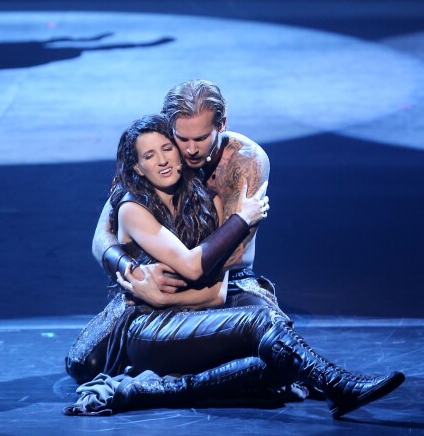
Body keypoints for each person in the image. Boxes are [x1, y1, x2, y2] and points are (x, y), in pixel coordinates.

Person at [65, 115, 404, 417]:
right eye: (150, 156)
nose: (164, 160)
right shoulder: (132, 208)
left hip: (185, 317)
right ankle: (337, 384)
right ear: (138, 167)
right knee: (260, 322)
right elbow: (193, 267)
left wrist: (168, 299)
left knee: (274, 360)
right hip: (146, 328)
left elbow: (217, 291)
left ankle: (165, 390)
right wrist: (241, 219)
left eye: (167, 149)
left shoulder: (205, 199)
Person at [93, 80, 281, 313]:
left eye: (201, 139)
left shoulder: (244, 160)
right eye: (182, 139)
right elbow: (101, 235)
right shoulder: (157, 150)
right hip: (162, 286)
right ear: (169, 127)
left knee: (262, 313)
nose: (191, 150)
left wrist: (165, 296)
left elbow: (225, 261)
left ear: (221, 125)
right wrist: (133, 270)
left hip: (223, 283)